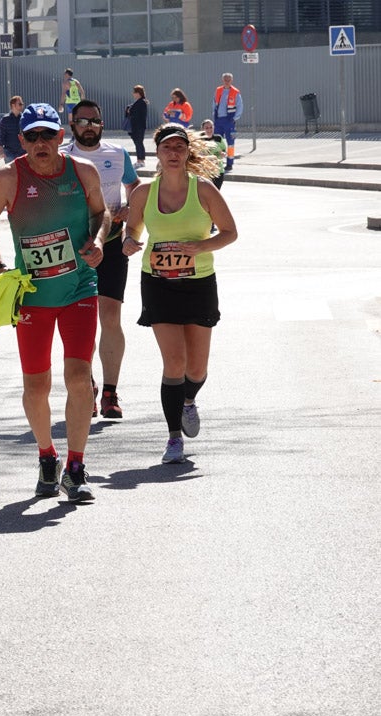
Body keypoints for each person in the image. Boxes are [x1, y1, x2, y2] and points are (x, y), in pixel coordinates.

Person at [0, 102, 108, 503]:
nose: (40, 143)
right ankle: (47, 456)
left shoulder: (82, 172)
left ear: (60, 137)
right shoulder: (8, 178)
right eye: (32, 136)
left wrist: (98, 241)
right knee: (36, 385)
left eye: (47, 134)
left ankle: (76, 466)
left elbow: (102, 213)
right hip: (32, 296)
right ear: (22, 141)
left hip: (79, 290)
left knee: (79, 378)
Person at [121, 124, 237, 464]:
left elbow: (230, 232)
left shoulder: (204, 191)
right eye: (167, 147)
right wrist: (129, 240)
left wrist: (200, 247)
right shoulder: (143, 193)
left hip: (199, 282)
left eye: (179, 148)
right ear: (157, 153)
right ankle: (173, 438)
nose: (173, 153)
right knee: (174, 361)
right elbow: (133, 228)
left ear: (188, 153)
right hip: (157, 282)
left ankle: (188, 401)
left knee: (196, 369)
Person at [60, 99, 140, 420]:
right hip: (76, 247)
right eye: (82, 121)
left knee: (110, 318)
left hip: (112, 242)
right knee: (80, 323)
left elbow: (135, 189)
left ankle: (110, 391)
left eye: (94, 121)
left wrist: (131, 209)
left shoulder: (117, 154)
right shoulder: (64, 157)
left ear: (102, 124)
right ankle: (86, 385)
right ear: (72, 125)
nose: (89, 126)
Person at [212, 72, 242, 171]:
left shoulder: (235, 92)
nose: (227, 81)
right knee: (217, 142)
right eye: (225, 79)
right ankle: (217, 162)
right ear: (222, 80)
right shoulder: (218, 90)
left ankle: (230, 163)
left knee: (230, 143)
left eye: (229, 79)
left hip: (229, 121)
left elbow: (240, 107)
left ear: (232, 80)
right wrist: (214, 117)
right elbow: (214, 104)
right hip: (219, 120)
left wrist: (234, 119)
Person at [0, 95, 26, 166]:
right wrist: (1, 151)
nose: (22, 106)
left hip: (22, 152)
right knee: (11, 173)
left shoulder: (24, 119)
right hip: (9, 152)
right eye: (20, 104)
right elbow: (1, 136)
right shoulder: (5, 120)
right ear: (13, 105)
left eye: (22, 104)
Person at [199, 119, 228, 189]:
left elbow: (224, 149)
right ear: (202, 129)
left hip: (218, 171)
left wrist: (223, 153)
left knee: (216, 193)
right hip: (205, 171)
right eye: (206, 128)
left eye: (211, 127)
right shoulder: (199, 140)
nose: (209, 130)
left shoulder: (218, 138)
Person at [125, 85, 149, 167]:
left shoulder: (141, 102)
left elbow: (138, 114)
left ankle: (141, 160)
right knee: (138, 143)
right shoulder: (138, 102)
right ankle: (140, 159)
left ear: (138, 93)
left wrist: (130, 111)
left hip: (138, 127)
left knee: (139, 143)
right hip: (136, 126)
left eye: (134, 92)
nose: (133, 94)